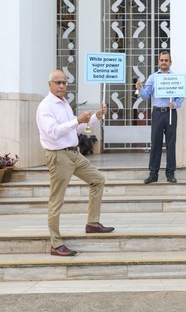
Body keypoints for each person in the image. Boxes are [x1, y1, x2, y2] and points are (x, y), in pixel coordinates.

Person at [36, 70, 114, 257]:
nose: (62, 86)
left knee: (98, 180)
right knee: (57, 199)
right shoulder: (46, 106)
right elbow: (53, 132)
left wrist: (95, 116)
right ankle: (56, 243)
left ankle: (92, 223)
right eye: (58, 82)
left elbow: (76, 127)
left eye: (64, 82)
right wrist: (77, 120)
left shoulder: (63, 104)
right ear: (50, 84)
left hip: (74, 154)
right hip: (58, 156)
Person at [136, 51, 184, 184]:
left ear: (170, 62)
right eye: (162, 60)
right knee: (155, 143)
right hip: (157, 113)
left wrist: (175, 104)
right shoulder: (152, 78)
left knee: (170, 143)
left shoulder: (175, 78)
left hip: (170, 112)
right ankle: (153, 174)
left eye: (166, 60)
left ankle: (170, 173)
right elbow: (146, 95)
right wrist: (140, 89)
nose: (164, 62)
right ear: (158, 62)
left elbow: (180, 96)